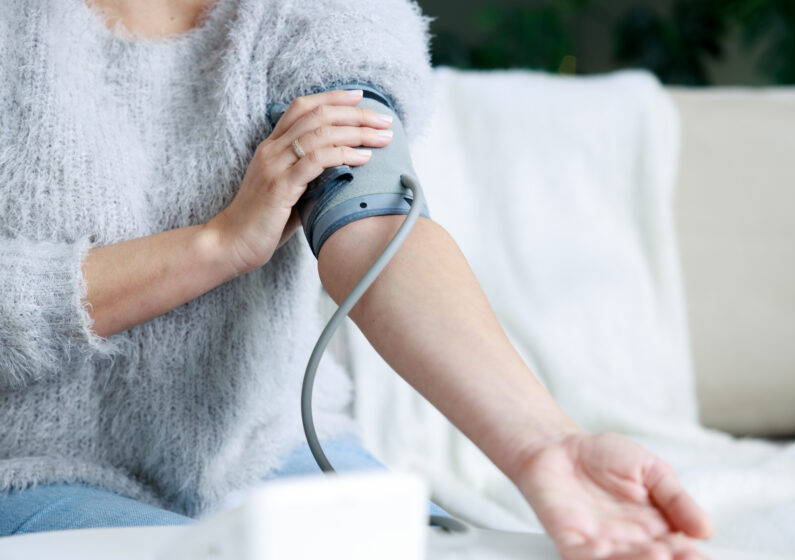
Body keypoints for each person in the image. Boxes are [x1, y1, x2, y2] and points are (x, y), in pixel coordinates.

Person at [0, 0, 714, 558]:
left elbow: (373, 221)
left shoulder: (320, 14)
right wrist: (214, 246)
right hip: (31, 468)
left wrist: (544, 446)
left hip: (262, 448)